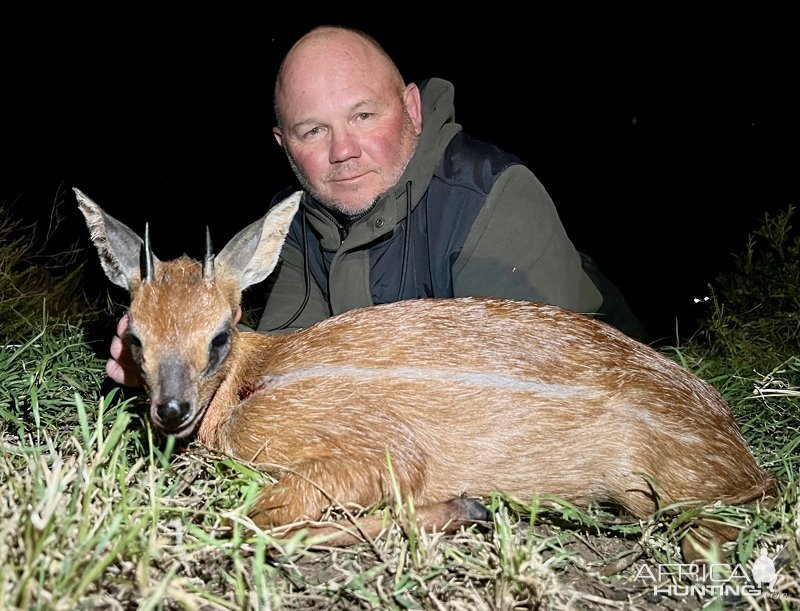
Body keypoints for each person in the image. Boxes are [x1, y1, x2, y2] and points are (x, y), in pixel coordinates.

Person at [105, 24, 647, 386]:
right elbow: (295, 362)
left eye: (364, 116)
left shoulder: (490, 196)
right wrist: (186, 361)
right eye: (313, 131)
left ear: (411, 107)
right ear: (283, 144)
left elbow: (537, 386)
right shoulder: (296, 221)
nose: (343, 151)